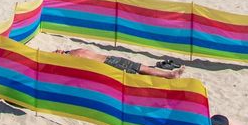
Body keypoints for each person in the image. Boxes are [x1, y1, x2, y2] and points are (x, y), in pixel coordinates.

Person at [58, 47, 186, 79]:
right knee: (136, 73)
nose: (57, 50)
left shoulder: (72, 51)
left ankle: (169, 75)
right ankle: (165, 78)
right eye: (55, 52)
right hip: (109, 65)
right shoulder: (70, 58)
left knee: (141, 67)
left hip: (111, 58)